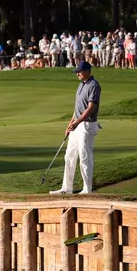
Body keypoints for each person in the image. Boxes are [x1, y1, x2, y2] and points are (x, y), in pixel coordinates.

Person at [50, 61, 101, 195]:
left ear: (87, 71)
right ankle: (67, 188)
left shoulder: (94, 86)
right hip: (77, 125)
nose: (77, 74)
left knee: (84, 156)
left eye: (79, 71)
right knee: (69, 156)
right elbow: (77, 108)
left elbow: (91, 108)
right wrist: (70, 123)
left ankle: (87, 189)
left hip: (87, 125)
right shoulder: (80, 85)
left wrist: (77, 122)